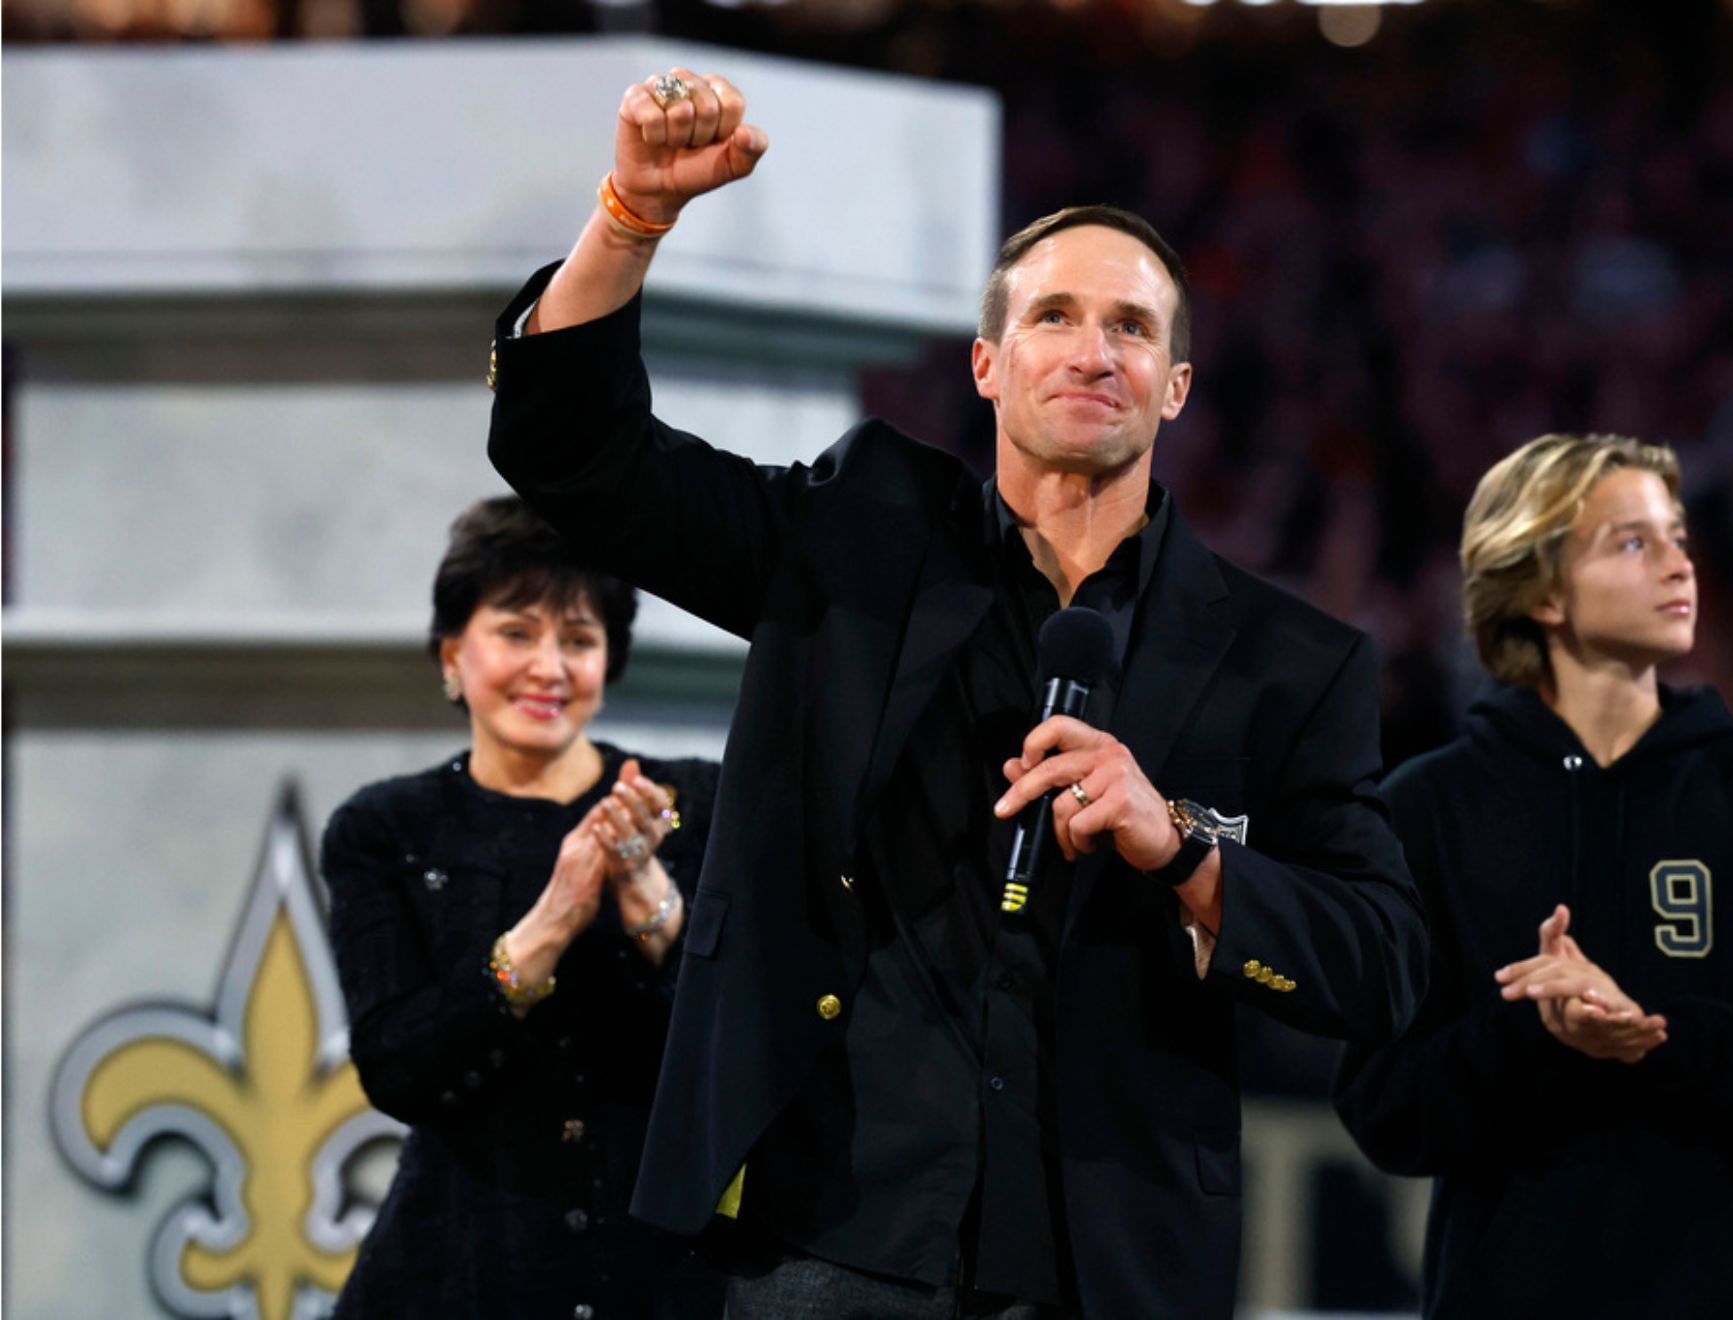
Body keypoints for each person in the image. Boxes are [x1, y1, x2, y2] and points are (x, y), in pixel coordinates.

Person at [484, 69, 1429, 1319]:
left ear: (1179, 386)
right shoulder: (852, 537)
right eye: (1054, 317)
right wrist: (628, 221)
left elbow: (1384, 966)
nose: (1094, 350)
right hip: (830, 1239)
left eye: (1133, 328)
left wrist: (1183, 848)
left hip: (1111, 1271)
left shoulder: (1291, 661)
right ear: (987, 363)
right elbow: (572, 455)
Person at [1333, 434, 1733, 1318]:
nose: (1680, 565)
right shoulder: (1424, 810)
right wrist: (1538, 1035)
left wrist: (1655, 1034)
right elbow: (1384, 1109)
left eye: (1678, 537)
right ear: (1543, 590)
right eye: (1633, 542)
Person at [322, 495, 725, 1319]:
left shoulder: (699, 805)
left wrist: (650, 896)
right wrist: (555, 916)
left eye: (578, 639)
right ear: (451, 654)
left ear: (608, 662)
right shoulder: (384, 829)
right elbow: (397, 1066)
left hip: (661, 1278)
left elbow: (739, 1045)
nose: (549, 666)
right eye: (516, 632)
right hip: (458, 1273)